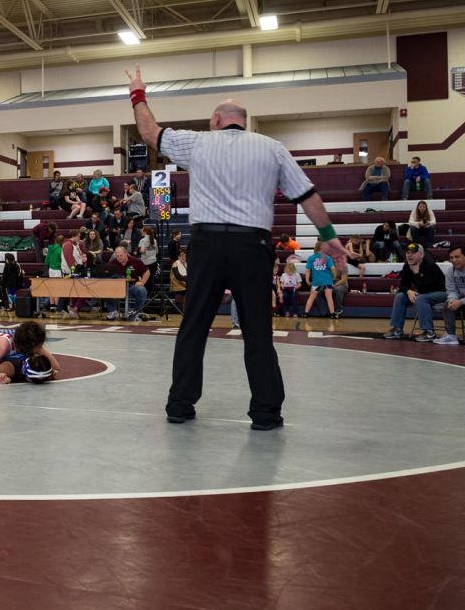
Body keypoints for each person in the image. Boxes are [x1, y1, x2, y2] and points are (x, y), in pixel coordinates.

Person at [127, 63, 346, 430]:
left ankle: (180, 405)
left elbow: (149, 132)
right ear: (244, 121)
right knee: (257, 329)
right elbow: (306, 193)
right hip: (251, 245)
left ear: (215, 119)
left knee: (194, 325)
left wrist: (138, 92)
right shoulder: (272, 148)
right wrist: (329, 237)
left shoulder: (198, 142)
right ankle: (265, 412)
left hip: (208, 243)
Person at [383, 243, 447, 341]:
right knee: (400, 296)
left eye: (413, 253)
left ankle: (429, 332)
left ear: (421, 254)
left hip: (442, 293)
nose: (409, 255)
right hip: (424, 293)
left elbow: (426, 288)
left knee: (421, 298)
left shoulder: (430, 265)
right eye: (408, 252)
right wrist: (408, 291)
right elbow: (403, 284)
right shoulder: (407, 265)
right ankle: (397, 329)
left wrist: (416, 273)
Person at [104, 245, 150, 321]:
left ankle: (135, 312)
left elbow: (147, 272)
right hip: (117, 288)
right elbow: (105, 274)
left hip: (131, 286)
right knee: (105, 289)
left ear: (126, 254)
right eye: (117, 256)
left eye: (121, 255)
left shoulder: (135, 261)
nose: (119, 257)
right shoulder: (112, 263)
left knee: (142, 290)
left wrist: (142, 282)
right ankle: (113, 311)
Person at [435, 244, 465, 345]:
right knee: (447, 304)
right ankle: (451, 336)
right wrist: (452, 300)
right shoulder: (450, 271)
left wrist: (461, 302)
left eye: (457, 257)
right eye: (451, 257)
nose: (454, 260)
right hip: (461, 296)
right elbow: (451, 290)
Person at [302, 241, 337, 319]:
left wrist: (307, 280)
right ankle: (332, 314)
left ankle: (305, 313)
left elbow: (307, 270)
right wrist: (334, 277)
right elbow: (333, 268)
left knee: (311, 297)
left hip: (316, 281)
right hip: (327, 280)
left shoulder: (311, 258)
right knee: (329, 297)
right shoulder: (327, 257)